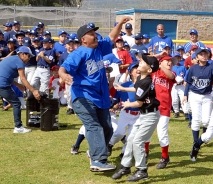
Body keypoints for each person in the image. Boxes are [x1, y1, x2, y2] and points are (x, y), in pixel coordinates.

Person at [59, 18, 132, 172]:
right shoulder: (79, 53)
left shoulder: (99, 48)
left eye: (95, 32)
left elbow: (111, 37)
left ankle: (95, 152)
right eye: (91, 33)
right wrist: (63, 75)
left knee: (107, 128)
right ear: (83, 39)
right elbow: (63, 68)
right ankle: (98, 160)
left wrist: (120, 24)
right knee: (94, 126)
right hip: (83, 95)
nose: (95, 35)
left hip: (101, 97)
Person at [112, 54, 161, 182]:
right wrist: (123, 88)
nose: (141, 61)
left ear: (149, 70)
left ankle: (141, 170)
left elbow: (139, 103)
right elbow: (135, 88)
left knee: (138, 141)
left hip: (150, 115)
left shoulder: (146, 82)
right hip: (144, 115)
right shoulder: (140, 78)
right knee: (130, 139)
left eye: (144, 61)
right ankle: (126, 166)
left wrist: (127, 104)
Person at [0, 46, 41, 133]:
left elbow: (7, 74)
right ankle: (18, 127)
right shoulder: (19, 61)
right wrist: (33, 91)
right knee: (16, 103)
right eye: (29, 56)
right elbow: (23, 78)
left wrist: (17, 84)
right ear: (22, 54)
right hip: (2, 84)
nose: (29, 58)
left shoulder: (12, 59)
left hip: (2, 82)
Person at [183, 48, 213, 146]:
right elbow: (188, 82)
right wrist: (185, 95)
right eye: (201, 54)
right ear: (197, 57)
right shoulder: (193, 68)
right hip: (195, 95)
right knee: (196, 119)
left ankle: (203, 138)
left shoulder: (211, 67)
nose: (204, 56)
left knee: (206, 121)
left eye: (205, 54)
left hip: (207, 96)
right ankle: (196, 141)